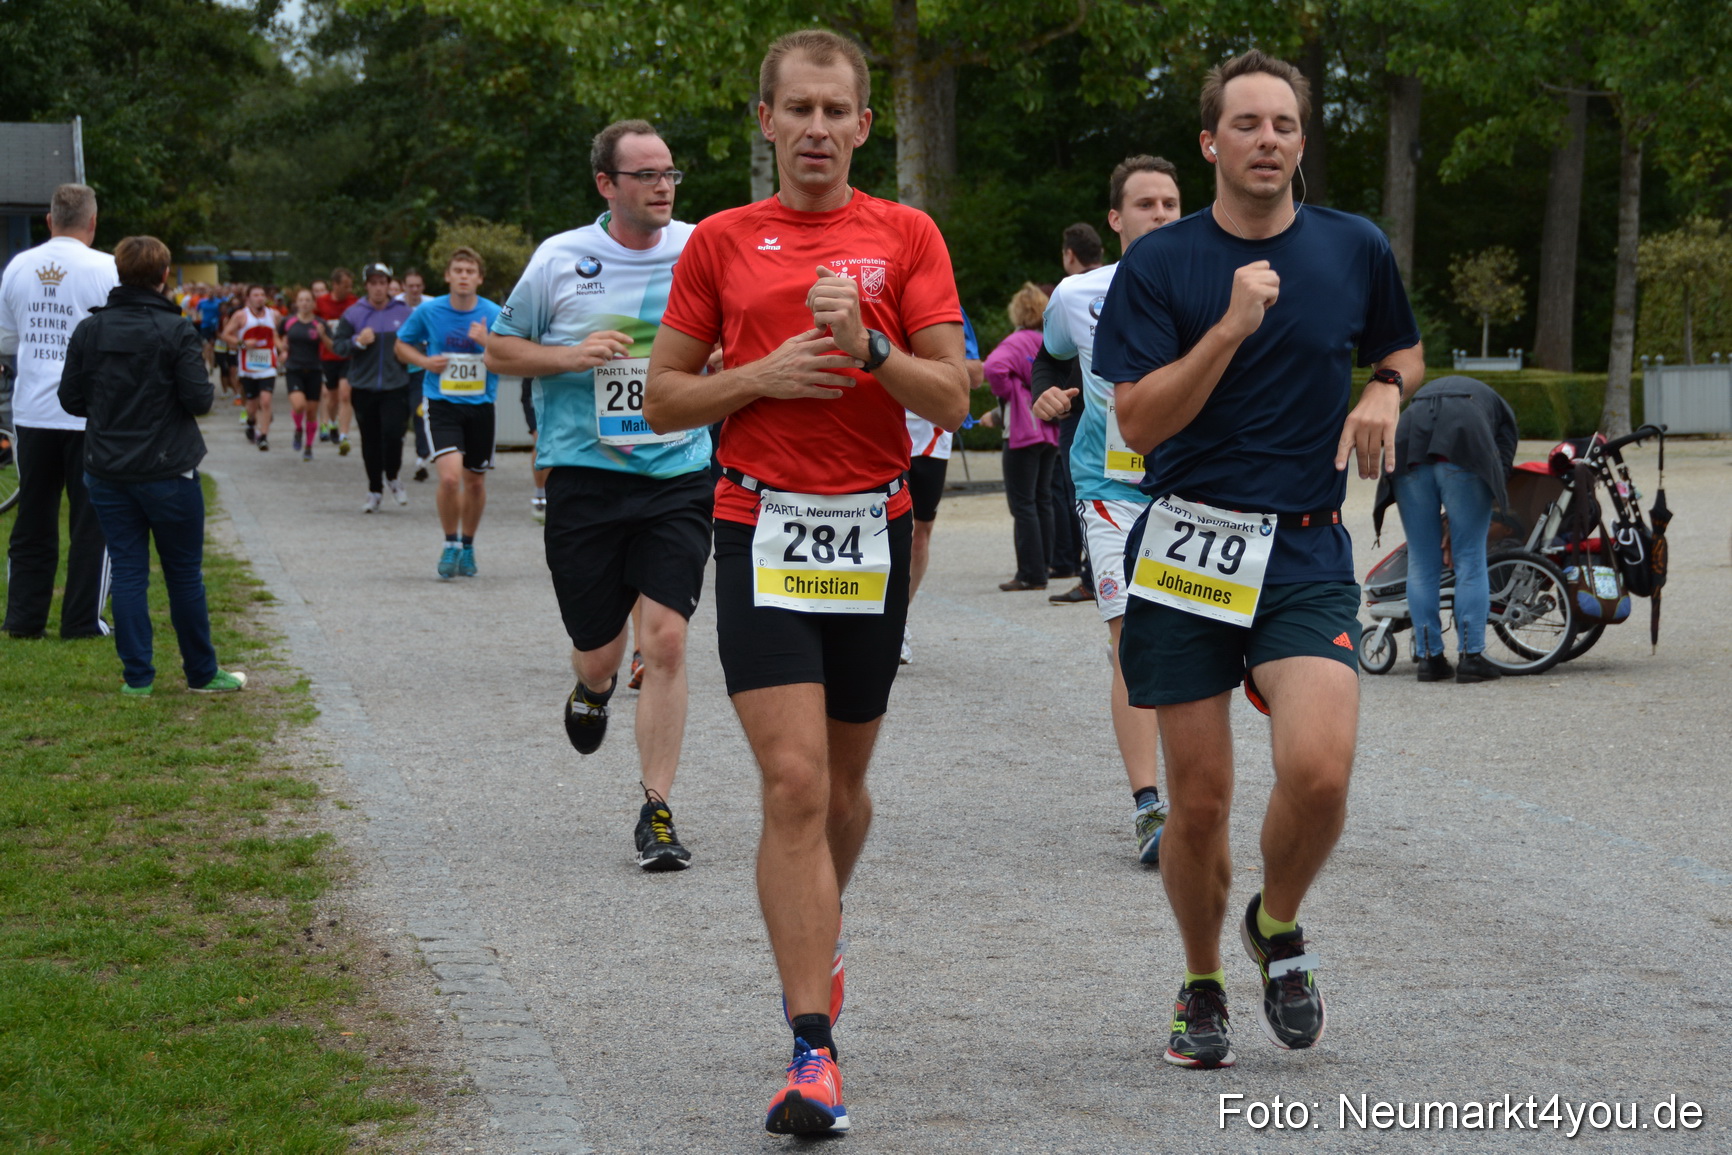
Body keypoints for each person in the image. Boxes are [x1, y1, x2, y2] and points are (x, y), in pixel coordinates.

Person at [644, 30, 969, 1135]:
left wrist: (871, 350)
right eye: (800, 111)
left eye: (838, 112)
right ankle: (810, 1050)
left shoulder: (904, 234)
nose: (819, 129)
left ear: (863, 125)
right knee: (791, 786)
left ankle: (816, 933)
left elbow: (958, 396)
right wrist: (764, 375)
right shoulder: (722, 244)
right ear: (767, 121)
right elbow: (662, 400)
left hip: (870, 535)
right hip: (758, 527)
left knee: (839, 790)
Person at [1094, 49, 1423, 1070]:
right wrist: (1230, 329)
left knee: (1319, 773)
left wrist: (1385, 389)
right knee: (1197, 802)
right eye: (1247, 124)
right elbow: (1139, 422)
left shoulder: (1352, 246)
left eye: (1284, 124)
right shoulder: (1161, 265)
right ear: (1210, 144)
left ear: (1300, 140)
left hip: (1305, 548)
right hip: (1189, 542)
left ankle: (1275, 926)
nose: (1268, 140)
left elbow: (1402, 348)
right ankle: (1200, 981)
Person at [485, 119, 712, 871]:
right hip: (585, 476)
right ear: (606, 185)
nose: (662, 186)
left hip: (677, 471)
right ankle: (592, 688)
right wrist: (569, 355)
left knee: (669, 639)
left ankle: (657, 810)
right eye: (645, 174)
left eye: (669, 173)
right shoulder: (561, 258)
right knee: (598, 649)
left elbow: (740, 333)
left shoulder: (701, 247)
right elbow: (499, 349)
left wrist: (718, 355)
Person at [1030, 154, 1184, 864]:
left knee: (1195, 641)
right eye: (1145, 204)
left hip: (1192, 489)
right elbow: (1050, 358)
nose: (1159, 214)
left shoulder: (1214, 283)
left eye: (1170, 203)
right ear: (1116, 220)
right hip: (1109, 487)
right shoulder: (1076, 294)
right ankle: (1149, 807)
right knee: (1131, 639)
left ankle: (1197, 794)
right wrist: (1049, 393)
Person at [56, 236, 246, 694]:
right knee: (183, 574)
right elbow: (200, 399)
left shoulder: (90, 330)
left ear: (118, 274)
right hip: (168, 469)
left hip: (107, 469)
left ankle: (137, 678)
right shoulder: (176, 330)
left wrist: (109, 414)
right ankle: (201, 672)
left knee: (127, 571)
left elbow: (70, 398)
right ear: (164, 276)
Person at [0, 183, 118, 640]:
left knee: (33, 517)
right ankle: (82, 621)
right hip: (89, 413)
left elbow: (7, 340)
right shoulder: (107, 268)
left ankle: (24, 619)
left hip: (32, 411)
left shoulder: (19, 266)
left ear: (49, 221)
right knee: (91, 520)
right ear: (92, 222)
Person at [1372, 375, 1518, 683]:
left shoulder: (1427, 397)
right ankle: (1471, 658)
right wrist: (1490, 493)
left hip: (1408, 449)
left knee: (1422, 564)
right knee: (1469, 560)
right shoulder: (1499, 409)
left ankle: (1430, 660)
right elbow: (1501, 462)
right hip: (1466, 450)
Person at [397, 247, 501, 578]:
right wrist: (425, 362)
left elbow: (515, 354)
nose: (464, 276)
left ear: (479, 278)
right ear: (447, 276)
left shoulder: (494, 313)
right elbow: (402, 345)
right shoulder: (430, 311)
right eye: (458, 270)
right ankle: (450, 542)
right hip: (441, 403)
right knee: (450, 476)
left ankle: (468, 546)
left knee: (474, 482)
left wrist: (489, 342)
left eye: (470, 271)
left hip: (482, 406)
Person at [899, 309, 981, 664]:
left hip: (931, 436)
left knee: (920, 532)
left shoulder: (947, 310)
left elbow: (975, 374)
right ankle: (870, 617)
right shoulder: (870, 294)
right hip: (885, 429)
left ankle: (898, 619)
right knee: (883, 526)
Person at [985, 283, 1057, 591]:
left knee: (1022, 503)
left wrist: (1009, 393)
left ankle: (1030, 573)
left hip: (1023, 429)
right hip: (1049, 430)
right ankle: (1045, 565)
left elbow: (993, 367)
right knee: (1043, 498)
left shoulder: (1016, 342)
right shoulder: (1047, 341)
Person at [331, 264, 413, 512]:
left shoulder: (404, 312)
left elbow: (419, 343)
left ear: (389, 285)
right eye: (373, 283)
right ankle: (374, 489)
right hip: (364, 387)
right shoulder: (354, 313)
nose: (378, 288)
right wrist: (357, 341)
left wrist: (408, 354)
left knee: (393, 434)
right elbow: (338, 346)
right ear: (366, 285)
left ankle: (393, 476)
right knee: (370, 440)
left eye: (382, 282)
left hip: (395, 384)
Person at [221, 284, 279, 451]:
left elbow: (280, 334)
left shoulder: (274, 315)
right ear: (248, 298)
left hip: (268, 365)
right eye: (256, 295)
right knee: (252, 405)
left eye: (262, 294)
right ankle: (251, 422)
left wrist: (283, 350)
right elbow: (226, 334)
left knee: (266, 401)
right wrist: (243, 343)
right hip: (248, 366)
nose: (260, 297)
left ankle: (263, 436)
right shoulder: (241, 316)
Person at [279, 289, 326, 461]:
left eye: (308, 300)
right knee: (299, 406)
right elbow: (277, 336)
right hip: (294, 369)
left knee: (312, 413)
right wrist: (282, 349)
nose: (305, 303)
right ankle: (299, 429)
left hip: (314, 370)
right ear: (297, 303)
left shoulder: (320, 323)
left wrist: (323, 335)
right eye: (301, 300)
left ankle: (308, 447)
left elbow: (331, 345)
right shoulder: (288, 321)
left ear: (313, 303)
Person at [314, 268, 358, 451]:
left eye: (350, 286)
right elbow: (312, 321)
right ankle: (331, 422)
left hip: (348, 355)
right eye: (345, 286)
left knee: (345, 394)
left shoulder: (354, 302)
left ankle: (344, 434)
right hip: (327, 356)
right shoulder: (321, 303)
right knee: (331, 399)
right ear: (335, 285)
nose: (348, 289)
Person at [398, 268, 434, 481]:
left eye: (418, 286)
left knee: (419, 411)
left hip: (421, 368)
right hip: (398, 369)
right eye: (410, 286)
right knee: (398, 415)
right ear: (403, 287)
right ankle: (393, 454)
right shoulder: (394, 306)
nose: (414, 290)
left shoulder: (431, 305)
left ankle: (423, 456)